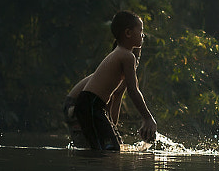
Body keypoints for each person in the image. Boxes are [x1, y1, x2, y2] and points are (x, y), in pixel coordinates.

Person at [65, 10, 158, 151]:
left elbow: (113, 100)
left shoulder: (120, 55)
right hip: (89, 104)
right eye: (140, 31)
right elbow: (133, 91)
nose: (143, 35)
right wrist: (148, 118)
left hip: (92, 105)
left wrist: (112, 130)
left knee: (109, 147)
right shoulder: (126, 56)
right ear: (128, 33)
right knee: (107, 149)